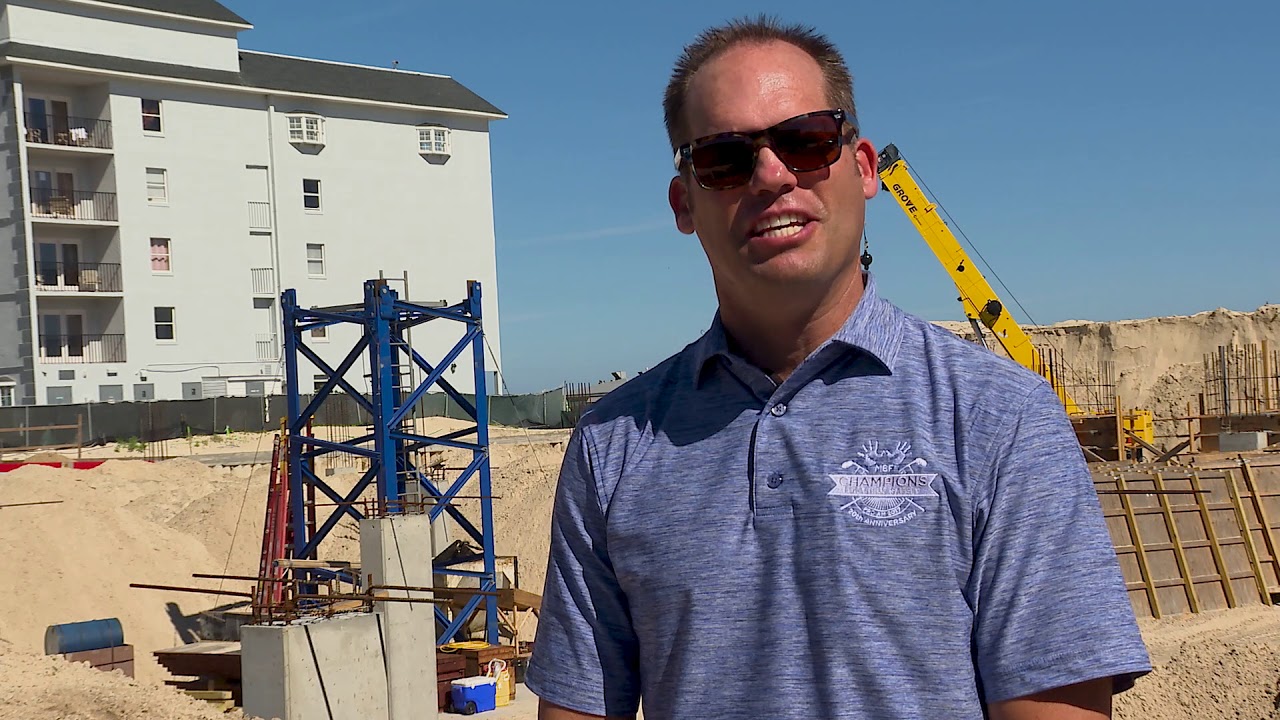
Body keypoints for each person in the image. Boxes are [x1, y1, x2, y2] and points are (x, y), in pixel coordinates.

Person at [524, 15, 1151, 720]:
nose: (772, 175)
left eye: (807, 140)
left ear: (864, 168)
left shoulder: (1001, 419)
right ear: (684, 203)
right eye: (725, 158)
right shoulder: (612, 444)